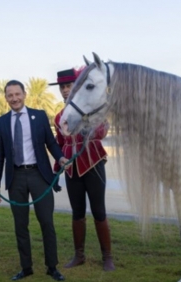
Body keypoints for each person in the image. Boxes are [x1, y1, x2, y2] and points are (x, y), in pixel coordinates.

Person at [0, 80, 66, 282]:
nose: (14, 98)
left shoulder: (39, 116)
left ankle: (52, 267)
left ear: (24, 94)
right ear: (6, 98)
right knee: (20, 225)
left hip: (38, 175)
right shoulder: (2, 122)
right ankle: (26, 268)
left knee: (46, 222)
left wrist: (60, 157)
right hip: (15, 178)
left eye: (17, 94)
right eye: (10, 95)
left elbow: (50, 142)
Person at [50, 68, 115, 271]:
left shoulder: (92, 108)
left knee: (99, 211)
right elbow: (59, 142)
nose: (65, 90)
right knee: (77, 212)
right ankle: (79, 256)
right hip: (72, 168)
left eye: (69, 86)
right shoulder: (60, 116)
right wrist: (57, 163)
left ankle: (107, 257)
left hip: (93, 162)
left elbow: (103, 131)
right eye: (62, 87)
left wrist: (90, 126)